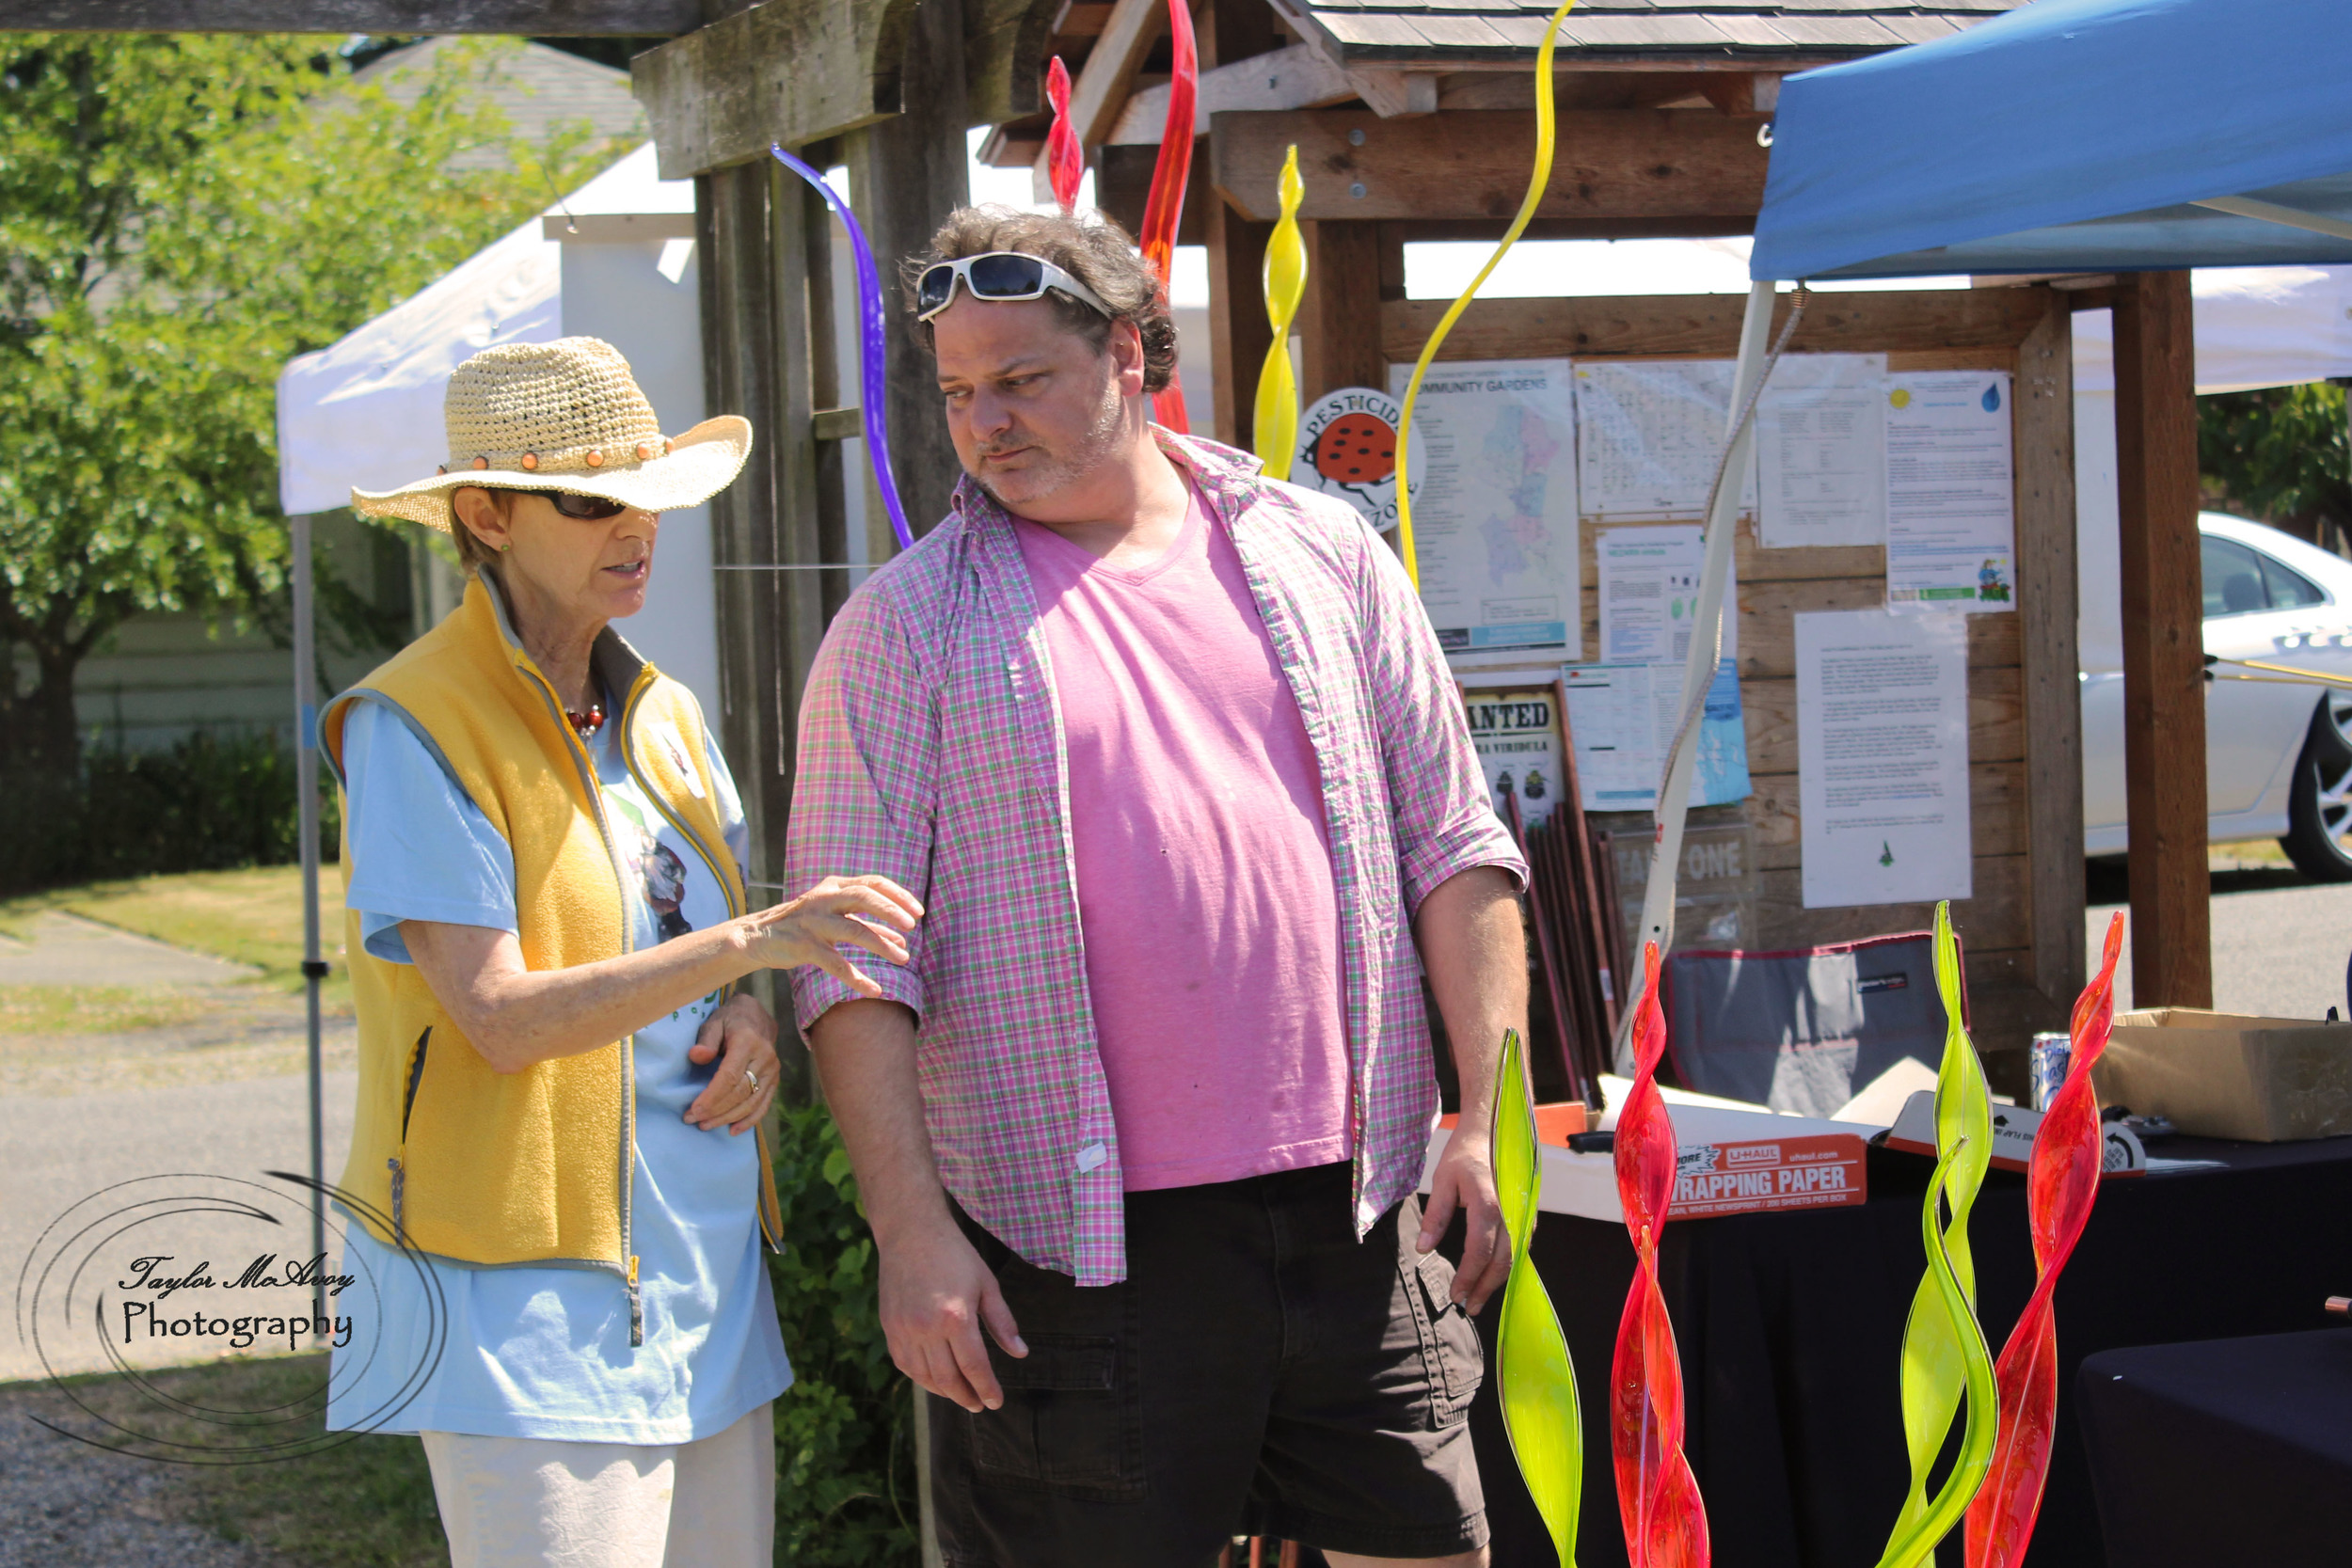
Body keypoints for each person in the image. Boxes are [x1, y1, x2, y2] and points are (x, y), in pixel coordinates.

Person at [784, 211, 1530, 1567]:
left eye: (1021, 380)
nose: (985, 423)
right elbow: (849, 966)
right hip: (1067, 1251)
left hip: (1360, 1216)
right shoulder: (900, 630)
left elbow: (1456, 845)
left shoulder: (1325, 553)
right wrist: (910, 1235)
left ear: (1128, 353)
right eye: (958, 392)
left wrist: (1488, 1119)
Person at [322, 338, 921, 1567]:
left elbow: (690, 952)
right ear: (483, 514)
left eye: (652, 496)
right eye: (595, 500)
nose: (636, 528)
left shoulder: (666, 713)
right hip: (515, 1299)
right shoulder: (413, 723)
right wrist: (760, 940)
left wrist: (751, 1015)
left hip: (701, 1285)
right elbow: (498, 1015)